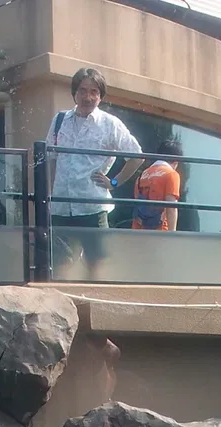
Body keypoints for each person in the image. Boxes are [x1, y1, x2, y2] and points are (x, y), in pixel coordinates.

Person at [46, 67, 142, 273]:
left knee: (96, 266)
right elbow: (51, 158)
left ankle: (95, 304)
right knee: (58, 266)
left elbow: (136, 156)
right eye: (82, 90)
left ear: (100, 96)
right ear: (74, 93)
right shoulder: (59, 120)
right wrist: (50, 194)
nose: (88, 97)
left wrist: (113, 182)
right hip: (61, 206)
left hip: (92, 207)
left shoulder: (110, 124)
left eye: (94, 92)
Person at [131, 137, 182, 231]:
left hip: (138, 232)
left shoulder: (142, 175)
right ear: (176, 162)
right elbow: (172, 208)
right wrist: (173, 235)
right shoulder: (171, 175)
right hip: (159, 234)